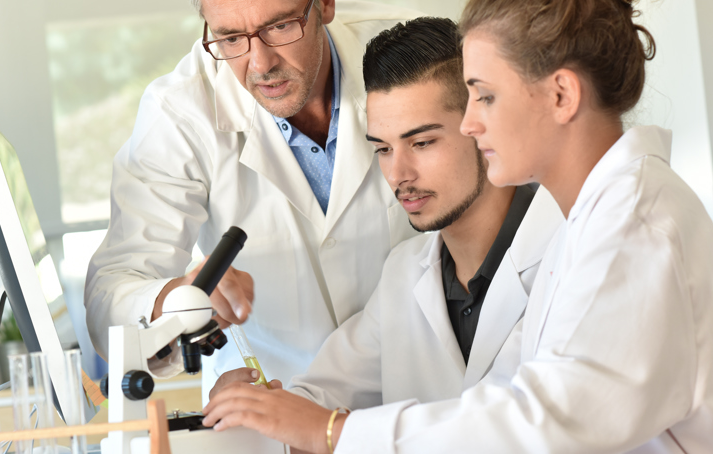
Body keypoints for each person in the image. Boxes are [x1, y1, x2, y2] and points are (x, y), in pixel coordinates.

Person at [203, 0, 713, 452]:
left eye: (482, 96)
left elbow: (549, 422)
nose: (473, 125)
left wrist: (335, 433)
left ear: (560, 94)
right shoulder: (601, 216)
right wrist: (276, 407)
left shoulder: (634, 225)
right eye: (381, 147)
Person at [201, 16, 562, 452]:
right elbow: (316, 399)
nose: (398, 174)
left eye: (423, 142)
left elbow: (531, 427)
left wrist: (329, 430)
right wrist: (253, 408)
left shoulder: (570, 252)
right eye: (383, 149)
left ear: (482, 126)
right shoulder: (405, 274)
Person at [84, 0, 421, 389]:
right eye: (229, 37)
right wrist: (177, 299)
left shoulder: (413, 54)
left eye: (279, 27)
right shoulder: (179, 112)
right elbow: (108, 299)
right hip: (274, 410)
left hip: (423, 399)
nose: (260, 64)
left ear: (325, 5)